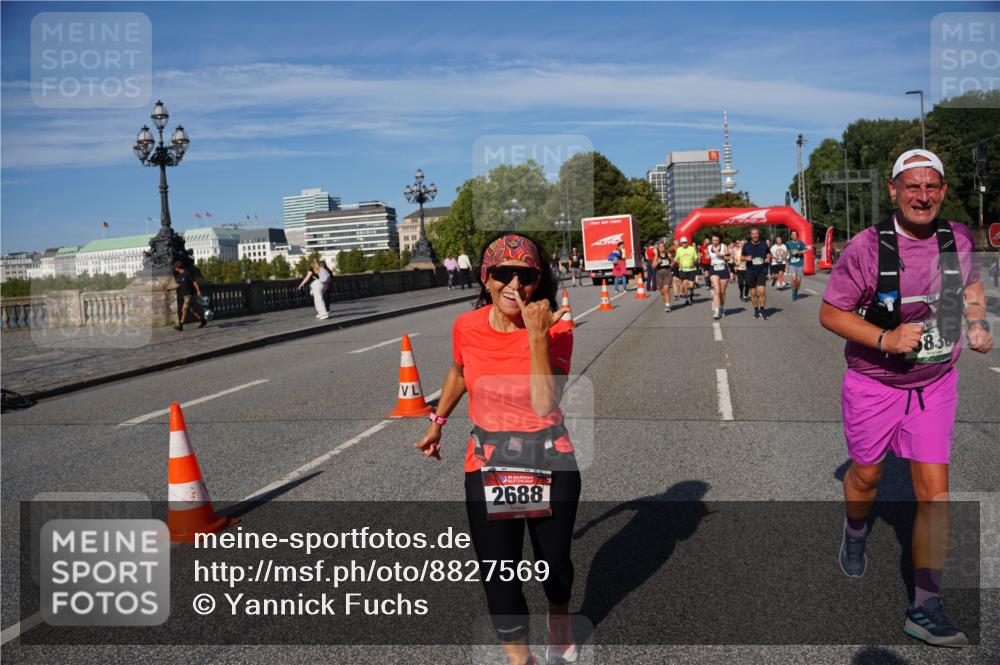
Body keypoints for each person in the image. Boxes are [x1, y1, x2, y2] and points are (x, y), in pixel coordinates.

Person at [819, 149, 993, 648]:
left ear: (942, 189)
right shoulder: (867, 248)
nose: (923, 195)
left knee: (935, 494)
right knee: (867, 476)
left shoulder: (956, 237)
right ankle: (855, 530)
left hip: (934, 384)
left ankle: (926, 605)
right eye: (912, 186)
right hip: (875, 381)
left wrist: (976, 322)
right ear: (894, 191)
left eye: (932, 185)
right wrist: (885, 339)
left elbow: (972, 286)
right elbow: (831, 313)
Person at [414, 233, 579, 665]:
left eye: (525, 276)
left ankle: (558, 620)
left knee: (555, 567)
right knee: (498, 573)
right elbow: (459, 371)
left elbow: (545, 402)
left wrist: (538, 336)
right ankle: (520, 659)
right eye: (503, 274)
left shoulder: (557, 327)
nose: (514, 285)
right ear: (485, 278)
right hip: (488, 463)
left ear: (538, 281)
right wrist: (438, 421)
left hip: (549, 460)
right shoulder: (466, 326)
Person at [164, 261, 206, 331]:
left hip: (189, 295)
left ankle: (181, 325)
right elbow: (178, 285)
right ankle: (202, 320)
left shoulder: (187, 273)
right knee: (193, 310)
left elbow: (194, 282)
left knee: (184, 309)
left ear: (178, 267)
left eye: (175, 267)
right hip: (185, 295)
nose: (174, 269)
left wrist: (198, 291)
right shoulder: (180, 276)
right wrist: (169, 289)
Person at [742, 227, 771, 319]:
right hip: (751, 271)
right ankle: (756, 309)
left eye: (756, 234)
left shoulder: (763, 244)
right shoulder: (746, 245)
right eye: (753, 234)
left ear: (759, 234)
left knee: (762, 291)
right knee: (753, 293)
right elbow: (741, 257)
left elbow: (768, 253)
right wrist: (746, 258)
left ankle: (762, 310)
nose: (755, 236)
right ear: (751, 235)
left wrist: (768, 258)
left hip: (762, 270)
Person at [707, 233, 730, 320]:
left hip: (723, 268)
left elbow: (728, 258)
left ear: (719, 240)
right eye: (713, 240)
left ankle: (722, 307)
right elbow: (706, 256)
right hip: (713, 268)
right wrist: (707, 256)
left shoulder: (724, 246)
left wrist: (722, 256)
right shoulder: (709, 247)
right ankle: (716, 311)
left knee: (722, 292)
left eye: (716, 240)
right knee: (717, 291)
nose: (714, 242)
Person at [785, 230, 810, 301]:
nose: (794, 236)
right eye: (793, 234)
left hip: (800, 264)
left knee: (798, 281)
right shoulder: (788, 243)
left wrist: (800, 252)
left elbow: (806, 250)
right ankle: (793, 291)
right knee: (794, 278)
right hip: (792, 264)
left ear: (797, 235)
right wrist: (786, 260)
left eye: (796, 234)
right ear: (791, 236)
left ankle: (796, 291)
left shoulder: (800, 243)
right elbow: (786, 251)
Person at [674, 236, 698, 306]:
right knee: (685, 283)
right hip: (682, 269)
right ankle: (687, 299)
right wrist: (678, 263)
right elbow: (676, 258)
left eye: (685, 242)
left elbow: (696, 258)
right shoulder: (679, 249)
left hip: (691, 269)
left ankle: (691, 294)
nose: (684, 244)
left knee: (691, 285)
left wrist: (693, 262)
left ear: (687, 242)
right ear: (681, 243)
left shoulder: (692, 249)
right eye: (682, 243)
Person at [655, 241, 673, 313]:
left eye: (663, 246)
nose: (661, 248)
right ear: (658, 248)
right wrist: (657, 262)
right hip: (659, 274)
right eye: (660, 247)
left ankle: (668, 306)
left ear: (664, 247)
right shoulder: (656, 256)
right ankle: (666, 304)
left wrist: (672, 263)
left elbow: (673, 261)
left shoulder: (668, 255)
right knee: (662, 292)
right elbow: (653, 266)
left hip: (667, 273)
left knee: (666, 289)